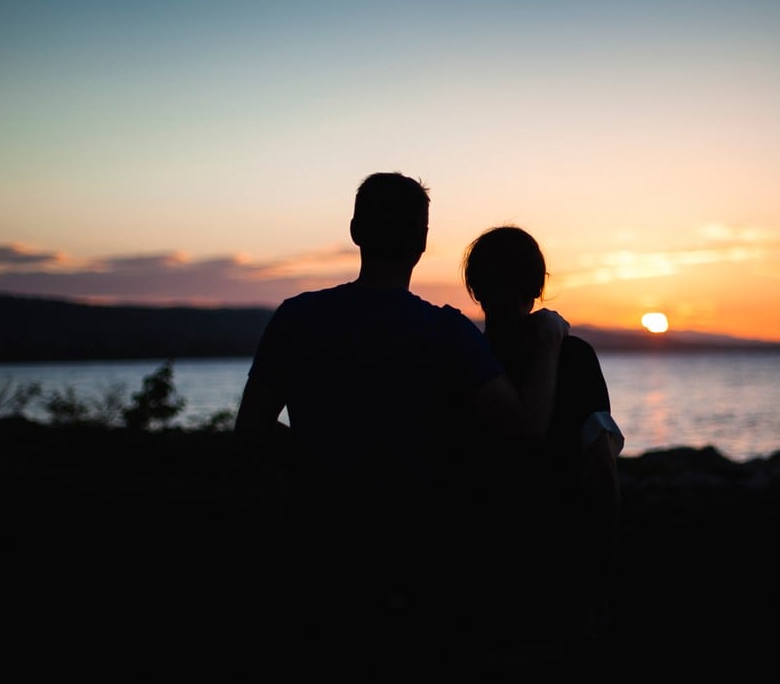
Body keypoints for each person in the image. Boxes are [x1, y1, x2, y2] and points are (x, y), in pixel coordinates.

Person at [234, 173, 568, 673]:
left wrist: (320, 455)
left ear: (354, 230)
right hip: (418, 574)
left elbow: (250, 434)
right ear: (422, 242)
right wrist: (546, 343)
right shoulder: (446, 332)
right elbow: (525, 431)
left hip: (313, 561)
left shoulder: (295, 318)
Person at [462, 225, 624, 673]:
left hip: (478, 575)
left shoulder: (459, 360)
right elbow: (602, 474)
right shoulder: (573, 357)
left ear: (474, 288)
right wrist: (600, 590)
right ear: (538, 286)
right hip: (562, 572)